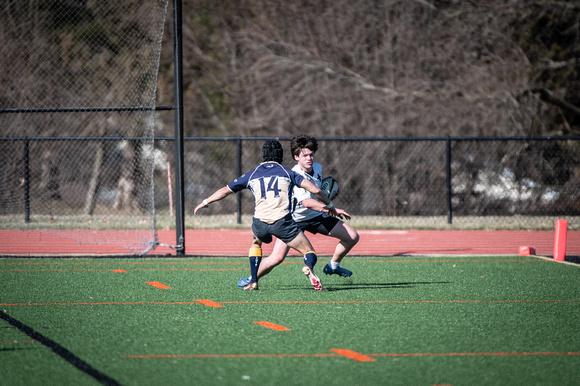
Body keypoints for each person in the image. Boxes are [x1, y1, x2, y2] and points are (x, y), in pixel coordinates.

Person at [194, 139, 338, 291]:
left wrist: (205, 202)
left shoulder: (252, 174)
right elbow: (315, 190)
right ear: (280, 155)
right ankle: (308, 267)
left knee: (256, 244)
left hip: (260, 223)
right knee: (309, 251)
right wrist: (329, 205)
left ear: (263, 155)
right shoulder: (287, 172)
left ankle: (254, 281)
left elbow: (225, 190)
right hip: (282, 222)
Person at [237, 135, 359, 288]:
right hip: (293, 220)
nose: (310, 158)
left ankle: (333, 265)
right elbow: (307, 202)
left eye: (311, 154)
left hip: (316, 216)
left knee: (352, 236)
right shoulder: (293, 174)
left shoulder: (317, 167)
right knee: (277, 257)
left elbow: (317, 191)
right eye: (305, 155)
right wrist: (330, 209)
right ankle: (252, 278)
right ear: (296, 157)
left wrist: (330, 192)